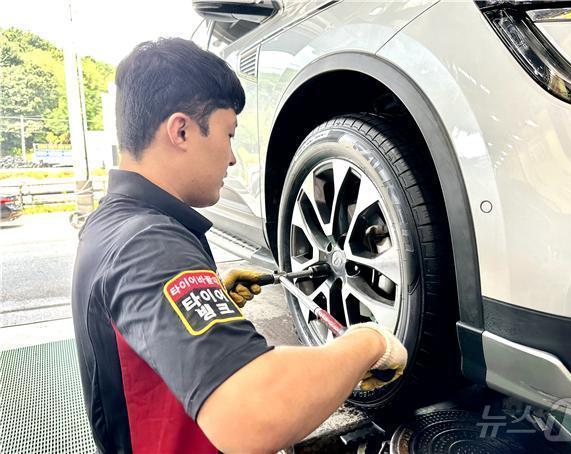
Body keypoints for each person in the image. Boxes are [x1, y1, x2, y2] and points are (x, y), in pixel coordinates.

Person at [71, 37, 407, 454]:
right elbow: (253, 413)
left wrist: (208, 300)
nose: (232, 158)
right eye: (229, 134)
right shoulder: (148, 244)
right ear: (181, 130)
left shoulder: (114, 223)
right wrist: (369, 342)